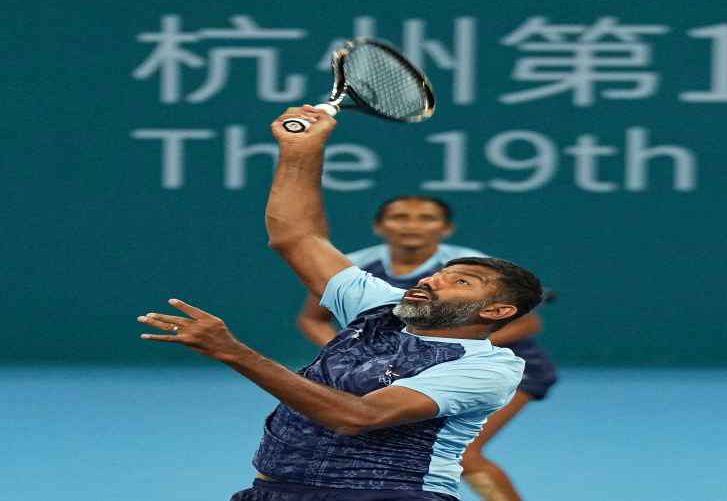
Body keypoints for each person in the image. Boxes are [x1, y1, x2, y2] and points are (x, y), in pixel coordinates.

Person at [137, 105, 545, 501]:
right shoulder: (382, 307)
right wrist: (300, 152)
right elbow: (296, 237)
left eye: (460, 281)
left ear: (496, 311)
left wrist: (233, 352)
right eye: (439, 273)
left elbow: (357, 417)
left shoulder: (486, 369)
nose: (433, 279)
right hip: (273, 491)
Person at [297, 195, 557, 501]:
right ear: (379, 226)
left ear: (446, 229)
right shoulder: (354, 265)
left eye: (426, 218)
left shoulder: (469, 266)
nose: (412, 226)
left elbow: (527, 324)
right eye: (401, 217)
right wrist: (358, 355)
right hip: (403, 370)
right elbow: (312, 319)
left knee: (467, 455)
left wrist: (437, 351)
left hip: (494, 366)